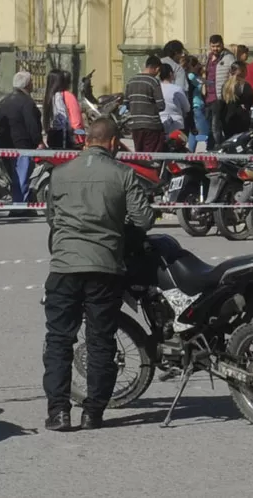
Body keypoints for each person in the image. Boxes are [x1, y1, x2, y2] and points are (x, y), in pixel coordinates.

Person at [41, 115, 152, 432]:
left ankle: (59, 412)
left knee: (59, 341)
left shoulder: (60, 175)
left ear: (86, 140)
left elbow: (52, 219)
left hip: (64, 267)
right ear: (114, 143)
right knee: (101, 341)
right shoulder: (123, 173)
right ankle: (93, 413)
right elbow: (144, 220)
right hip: (105, 268)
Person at [0, 71, 44, 213]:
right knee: (22, 176)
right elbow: (32, 124)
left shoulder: (4, 101)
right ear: (27, 84)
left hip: (6, 145)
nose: (33, 84)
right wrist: (38, 141)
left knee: (14, 177)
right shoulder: (27, 102)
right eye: (32, 82)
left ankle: (19, 203)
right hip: (23, 145)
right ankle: (20, 207)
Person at [125, 56, 167, 153]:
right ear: (157, 68)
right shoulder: (153, 81)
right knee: (151, 157)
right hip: (152, 126)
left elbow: (126, 103)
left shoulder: (131, 81)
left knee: (139, 156)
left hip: (135, 125)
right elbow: (161, 105)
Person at [204, 36, 236, 148]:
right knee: (209, 126)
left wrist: (228, 92)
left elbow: (233, 77)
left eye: (217, 46)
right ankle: (213, 147)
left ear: (222, 45)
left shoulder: (229, 58)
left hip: (220, 97)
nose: (215, 49)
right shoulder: (207, 57)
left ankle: (217, 147)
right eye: (213, 46)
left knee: (215, 125)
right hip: (208, 96)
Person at [45, 69, 84, 149]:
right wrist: (81, 135)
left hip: (52, 137)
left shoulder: (49, 98)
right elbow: (76, 122)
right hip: (68, 139)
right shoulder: (67, 96)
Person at [218, 60, 253, 139]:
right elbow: (249, 102)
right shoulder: (245, 86)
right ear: (243, 71)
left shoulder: (225, 85)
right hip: (240, 119)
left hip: (226, 119)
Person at [184, 55, 209, 151]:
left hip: (199, 105)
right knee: (205, 130)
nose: (199, 66)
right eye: (197, 64)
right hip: (196, 106)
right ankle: (209, 149)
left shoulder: (194, 76)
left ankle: (191, 150)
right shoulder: (191, 76)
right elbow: (204, 83)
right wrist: (204, 75)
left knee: (194, 131)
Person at [158, 63, 189, 136]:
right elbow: (187, 108)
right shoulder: (177, 89)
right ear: (170, 73)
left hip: (160, 123)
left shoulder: (156, 88)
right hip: (176, 123)